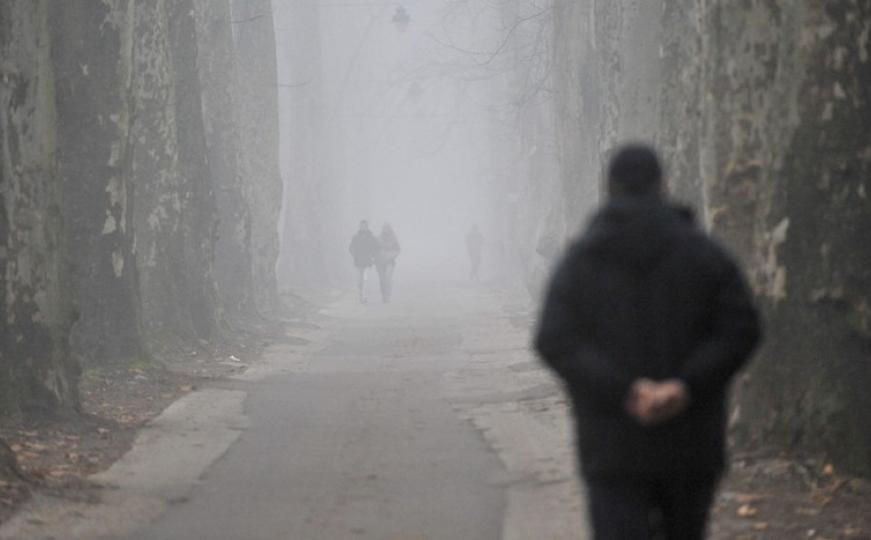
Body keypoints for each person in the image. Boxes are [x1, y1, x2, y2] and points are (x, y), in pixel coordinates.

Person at [534, 144, 762, 540]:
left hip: (612, 445)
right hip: (690, 442)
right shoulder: (705, 255)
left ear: (608, 188)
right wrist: (685, 385)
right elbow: (741, 328)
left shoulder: (581, 262)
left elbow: (554, 339)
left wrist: (624, 390)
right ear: (664, 185)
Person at [348, 220, 380, 304]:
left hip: (368, 263)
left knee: (365, 280)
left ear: (367, 226)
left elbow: (377, 248)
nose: (363, 227)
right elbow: (351, 248)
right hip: (358, 262)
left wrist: (372, 256)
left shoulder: (372, 237)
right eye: (362, 226)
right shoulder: (355, 237)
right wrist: (355, 255)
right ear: (360, 226)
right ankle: (360, 296)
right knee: (359, 281)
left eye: (365, 226)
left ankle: (365, 297)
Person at [376, 224, 401, 303]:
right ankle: (383, 294)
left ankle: (388, 296)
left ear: (390, 229)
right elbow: (375, 249)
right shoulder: (378, 238)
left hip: (390, 262)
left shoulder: (393, 238)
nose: (385, 230)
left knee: (388, 279)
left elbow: (398, 249)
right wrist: (379, 254)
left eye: (387, 228)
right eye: (384, 228)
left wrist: (391, 255)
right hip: (380, 263)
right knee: (382, 280)